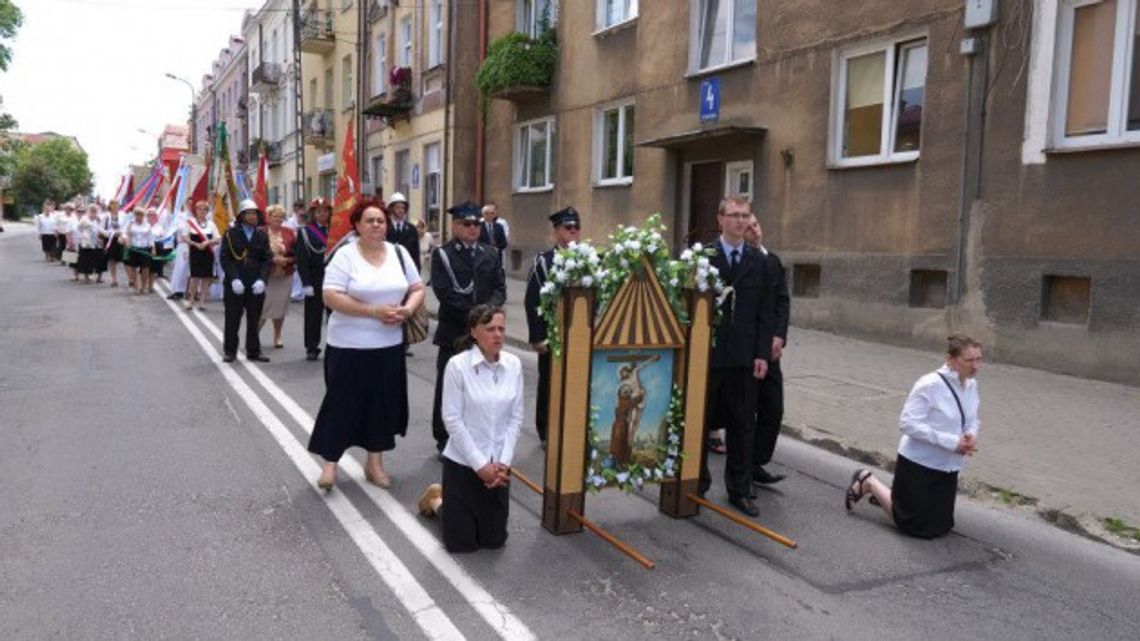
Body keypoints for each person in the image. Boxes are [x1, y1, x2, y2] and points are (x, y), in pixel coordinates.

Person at [307, 199, 425, 491]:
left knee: (381, 406)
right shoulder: (345, 255)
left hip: (388, 345)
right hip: (348, 344)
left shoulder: (398, 253)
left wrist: (408, 310)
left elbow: (417, 287)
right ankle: (330, 464)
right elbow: (330, 296)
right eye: (370, 220)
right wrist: (373, 311)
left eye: (381, 220)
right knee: (341, 404)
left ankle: (374, 463)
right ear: (357, 225)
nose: (377, 225)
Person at [846, 334, 983, 539]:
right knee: (913, 525)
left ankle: (898, 498)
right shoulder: (930, 384)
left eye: (979, 359)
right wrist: (952, 442)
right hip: (920, 462)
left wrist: (971, 435)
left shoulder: (971, 385)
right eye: (969, 360)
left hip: (947, 465)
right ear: (950, 359)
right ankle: (869, 482)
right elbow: (907, 424)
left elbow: (972, 418)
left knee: (941, 527)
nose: (975, 366)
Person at [417, 305, 522, 554]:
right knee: (462, 544)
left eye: (501, 329)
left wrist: (502, 464)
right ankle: (437, 501)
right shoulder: (457, 366)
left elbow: (516, 419)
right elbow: (452, 420)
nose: (497, 334)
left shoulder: (514, 365)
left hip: (498, 469)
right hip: (464, 465)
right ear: (474, 332)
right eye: (490, 329)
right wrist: (480, 465)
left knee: (494, 541)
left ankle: (453, 503)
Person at [698, 196, 772, 517]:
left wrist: (762, 354)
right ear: (720, 219)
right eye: (734, 215)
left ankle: (739, 489)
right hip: (709, 356)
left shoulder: (758, 261)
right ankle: (696, 482)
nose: (741, 221)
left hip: (743, 358)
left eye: (745, 216)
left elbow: (765, 312)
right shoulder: (703, 257)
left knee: (743, 425)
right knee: (700, 420)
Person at [430, 200, 507, 454]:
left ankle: (478, 435)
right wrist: (478, 318)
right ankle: (444, 438)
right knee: (449, 386)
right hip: (455, 332)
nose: (474, 228)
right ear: (455, 226)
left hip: (484, 333)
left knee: (482, 387)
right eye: (468, 224)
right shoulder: (444, 254)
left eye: (477, 224)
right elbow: (444, 292)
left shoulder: (490, 253)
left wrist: (488, 316)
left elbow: (499, 289)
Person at [523, 207, 581, 445]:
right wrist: (537, 337)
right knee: (549, 383)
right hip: (552, 335)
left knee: (578, 382)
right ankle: (546, 430)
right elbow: (532, 300)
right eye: (568, 228)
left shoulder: (589, 259)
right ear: (557, 231)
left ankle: (575, 427)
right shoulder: (544, 262)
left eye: (576, 228)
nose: (574, 232)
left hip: (581, 335)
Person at [744, 214, 789, 487]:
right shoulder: (743, 262)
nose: (753, 230)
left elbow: (782, 301)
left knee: (773, 408)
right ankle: (742, 468)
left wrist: (779, 336)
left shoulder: (772, 261)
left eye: (756, 224)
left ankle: (756, 461)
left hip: (769, 350)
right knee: (746, 410)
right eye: (747, 227)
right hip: (746, 349)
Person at [219, 200, 274, 363]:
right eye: (249, 213)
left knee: (254, 319)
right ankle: (230, 351)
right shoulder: (230, 234)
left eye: (255, 213)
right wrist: (234, 278)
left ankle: (254, 351)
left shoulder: (261, 235)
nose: (252, 216)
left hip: (255, 283)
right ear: (241, 216)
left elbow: (266, 259)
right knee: (232, 318)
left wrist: (262, 280)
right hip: (236, 283)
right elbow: (225, 258)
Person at [295, 198, 331, 361]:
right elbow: (302, 259)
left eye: (325, 211)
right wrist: (306, 282)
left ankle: (335, 345)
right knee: (313, 315)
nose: (322, 214)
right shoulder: (306, 231)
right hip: (315, 278)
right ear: (313, 214)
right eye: (319, 211)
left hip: (334, 278)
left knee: (335, 315)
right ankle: (311, 346)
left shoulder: (337, 230)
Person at [259, 204, 297, 349]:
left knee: (280, 308)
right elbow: (255, 253)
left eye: (281, 217)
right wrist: (273, 260)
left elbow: (296, 254)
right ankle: (254, 336)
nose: (278, 219)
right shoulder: (260, 232)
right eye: (275, 216)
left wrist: (287, 260)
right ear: (268, 217)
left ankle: (277, 336)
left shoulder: (289, 232)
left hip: (284, 275)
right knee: (263, 307)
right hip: (265, 275)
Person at [180, 200, 220, 311]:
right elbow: (184, 237)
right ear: (196, 210)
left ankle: (202, 302)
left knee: (206, 277)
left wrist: (207, 242)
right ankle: (191, 300)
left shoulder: (211, 224)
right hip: (195, 252)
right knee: (195, 277)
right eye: (199, 209)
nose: (202, 211)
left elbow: (217, 239)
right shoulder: (190, 222)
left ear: (207, 211)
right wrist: (195, 244)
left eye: (204, 209)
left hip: (208, 253)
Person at [120, 207, 155, 295]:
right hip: (133, 248)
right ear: (135, 215)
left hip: (144, 249)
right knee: (133, 268)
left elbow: (151, 238)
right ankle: (136, 286)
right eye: (137, 214)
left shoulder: (147, 225)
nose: (139, 217)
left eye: (141, 215)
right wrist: (126, 240)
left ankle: (143, 287)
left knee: (145, 268)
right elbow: (124, 233)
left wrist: (153, 249)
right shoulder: (130, 224)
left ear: (143, 216)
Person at [385, 192, 420, 271]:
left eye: (403, 208)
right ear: (391, 208)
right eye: (397, 207)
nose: (400, 210)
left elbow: (415, 254)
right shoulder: (385, 227)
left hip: (407, 270)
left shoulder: (411, 229)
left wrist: (417, 271)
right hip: (389, 269)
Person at [75, 205, 105, 283]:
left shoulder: (100, 219)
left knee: (100, 259)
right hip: (87, 242)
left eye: (95, 211)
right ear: (89, 211)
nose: (93, 213)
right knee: (86, 260)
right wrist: (82, 237)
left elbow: (103, 229)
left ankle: (99, 277)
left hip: (98, 242)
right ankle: (87, 276)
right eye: (92, 211)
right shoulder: (84, 219)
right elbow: (79, 229)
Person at [102, 200, 127, 287]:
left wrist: (122, 234)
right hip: (110, 240)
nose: (115, 206)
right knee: (112, 260)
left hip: (120, 239)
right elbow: (101, 229)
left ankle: (130, 279)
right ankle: (114, 279)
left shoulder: (123, 215)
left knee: (123, 259)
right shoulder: (105, 216)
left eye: (117, 204)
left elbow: (126, 226)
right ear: (110, 206)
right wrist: (110, 233)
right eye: (113, 204)